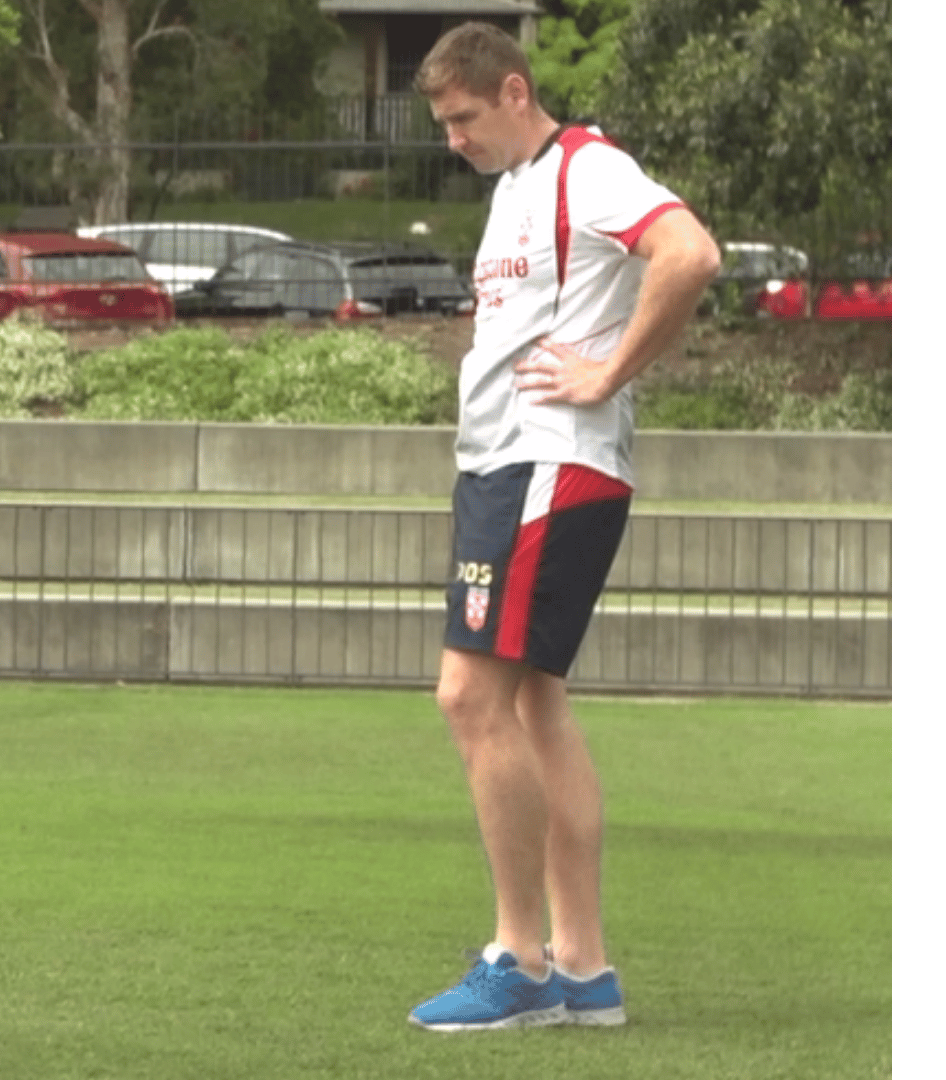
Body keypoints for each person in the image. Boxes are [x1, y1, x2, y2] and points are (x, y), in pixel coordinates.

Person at [403, 23, 721, 1031]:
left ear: (512, 90)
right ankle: (582, 968)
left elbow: (691, 253)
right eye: (442, 124)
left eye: (462, 118)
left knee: (467, 695)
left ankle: (522, 960)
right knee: (534, 701)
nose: (452, 139)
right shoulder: (511, 193)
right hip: (508, 465)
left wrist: (607, 373)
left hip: (547, 464)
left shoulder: (591, 168)